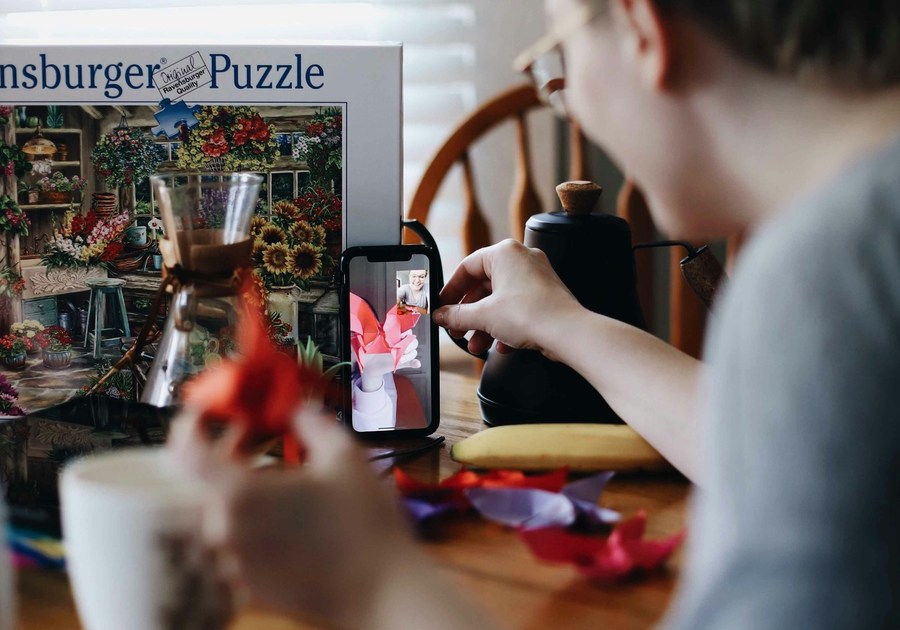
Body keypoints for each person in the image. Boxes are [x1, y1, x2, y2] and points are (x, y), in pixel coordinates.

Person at [173, 0, 900, 627]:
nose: (567, 96)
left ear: (643, 28)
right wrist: (563, 323)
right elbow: (781, 444)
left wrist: (373, 585)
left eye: (558, 57)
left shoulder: (830, 278)